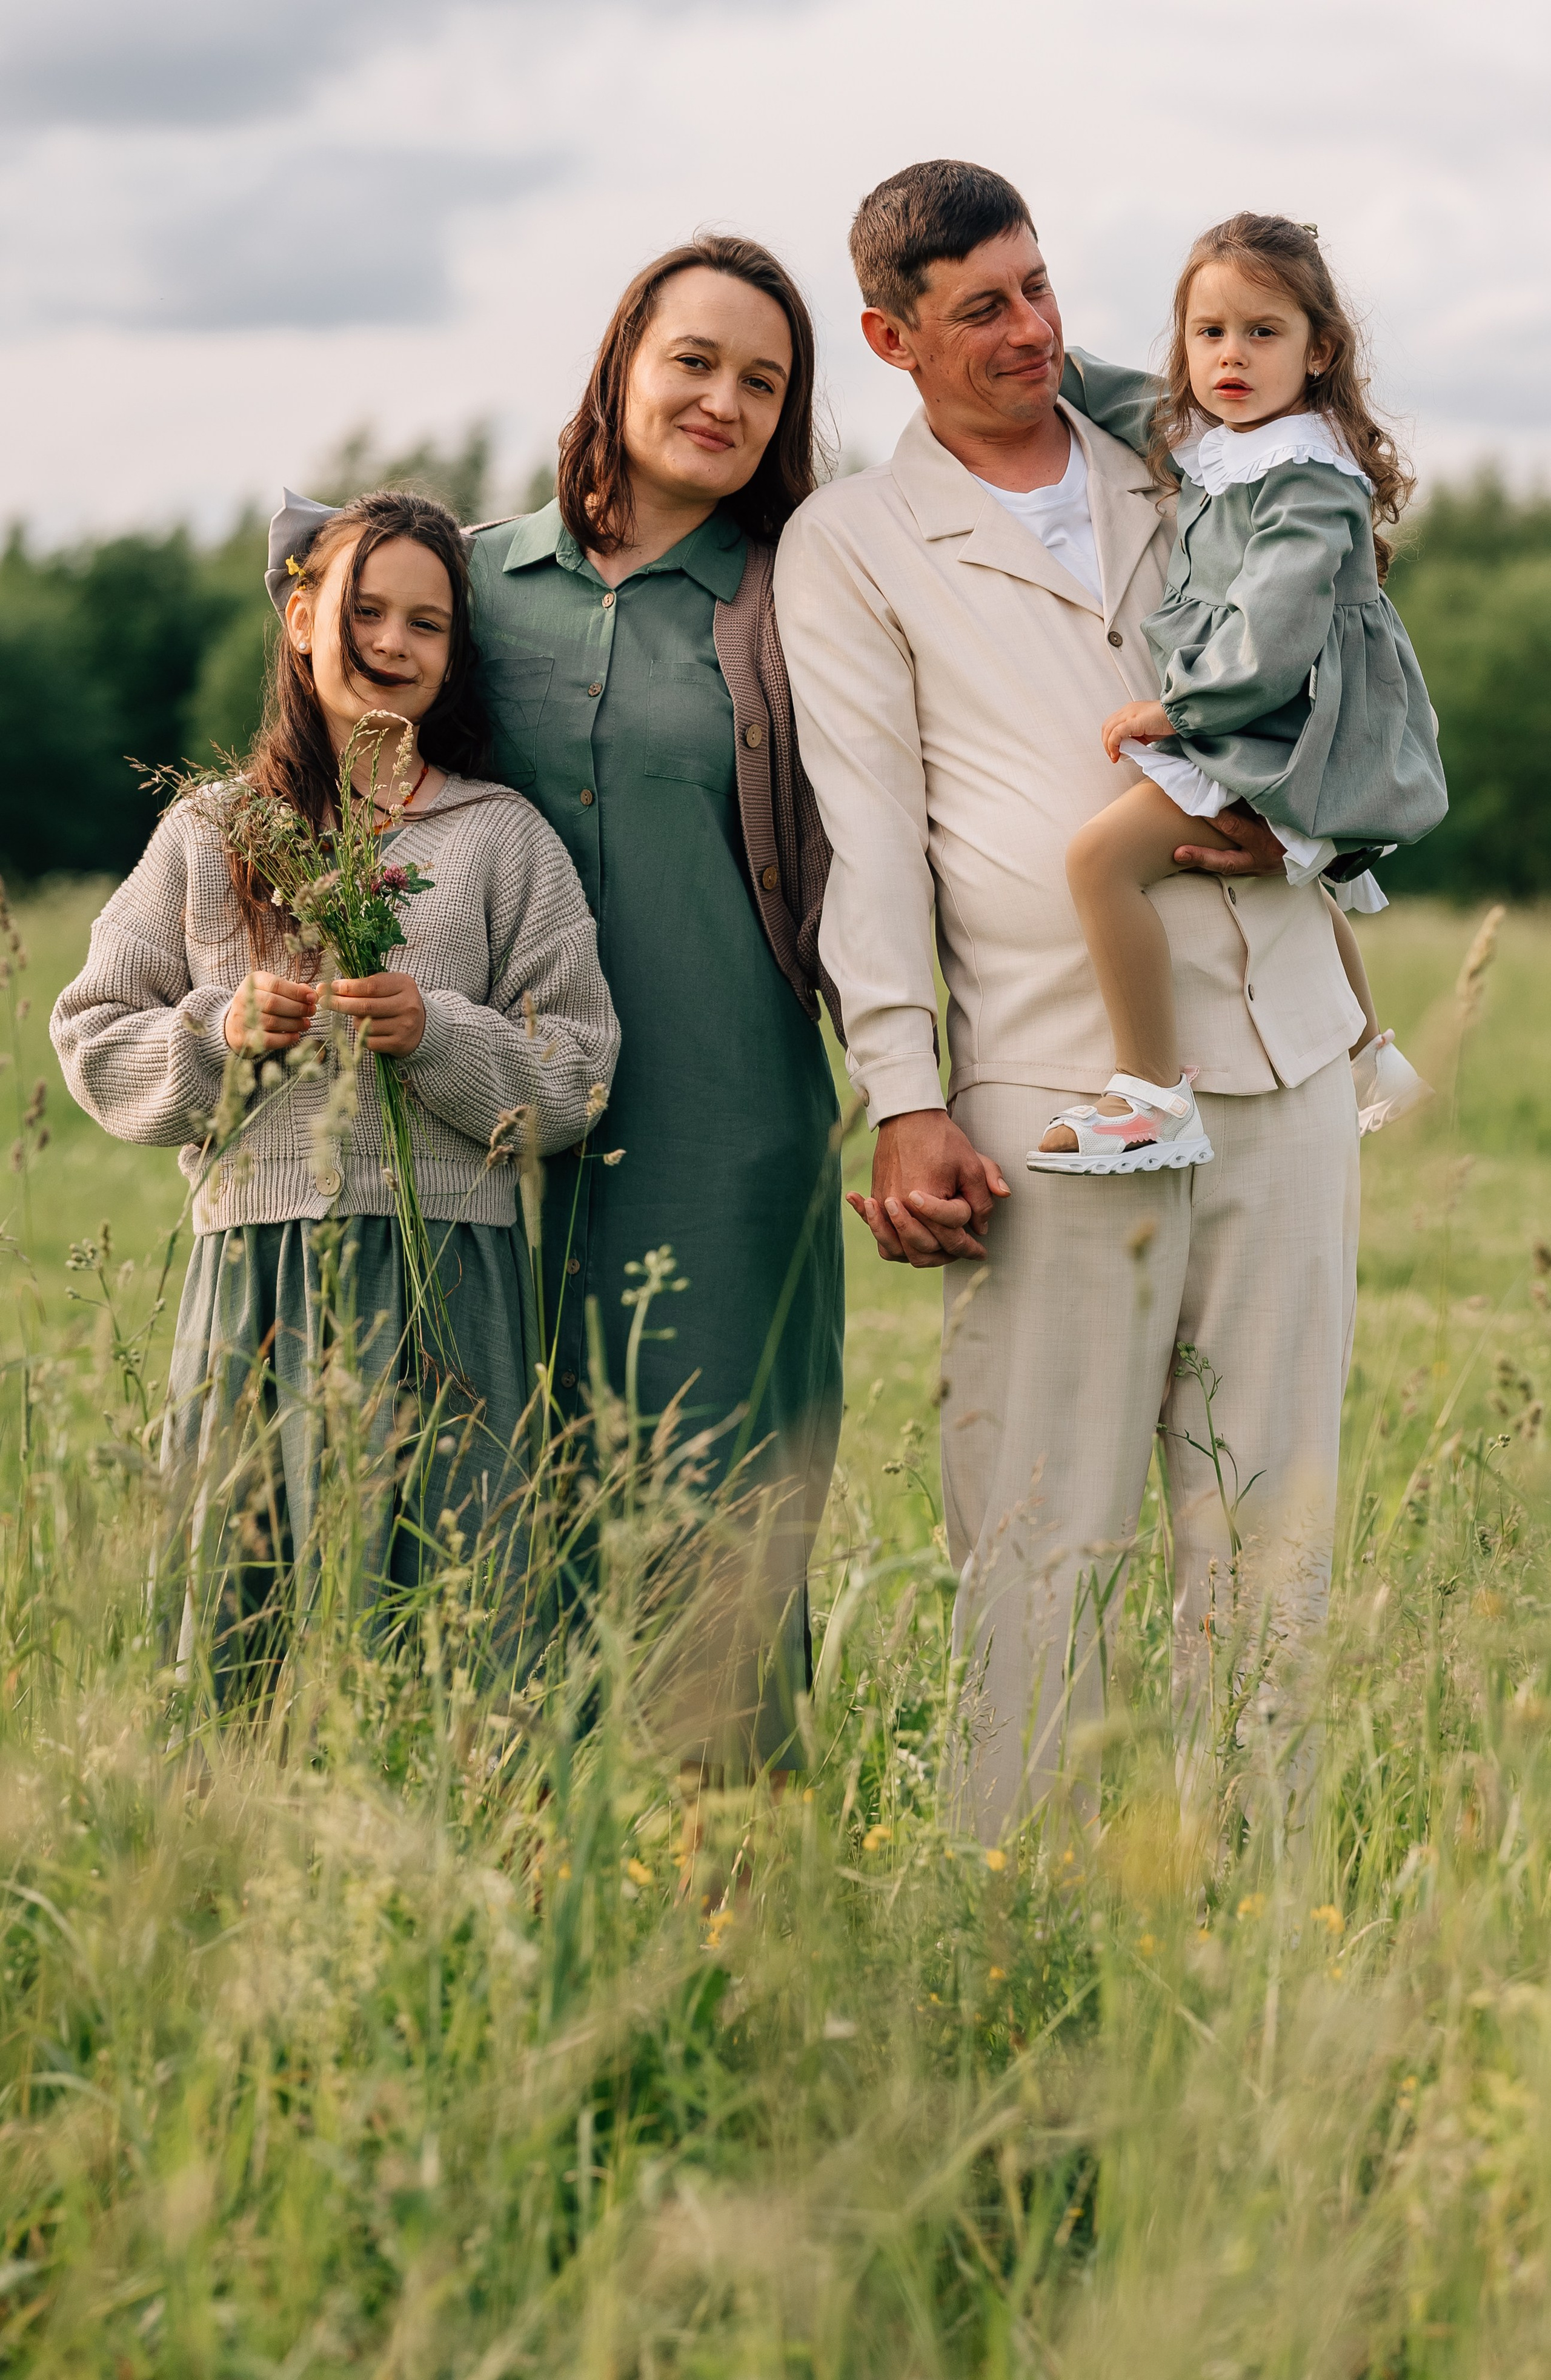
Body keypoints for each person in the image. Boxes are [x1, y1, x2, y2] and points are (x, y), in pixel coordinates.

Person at [775, 159, 1367, 1836]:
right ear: (894, 337)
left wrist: (1310, 812)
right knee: (1047, 1526)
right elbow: (869, 839)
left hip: (1285, 1047)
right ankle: (1017, 1919)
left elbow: (1349, 673)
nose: (1034, 330)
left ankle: (1269, 1923)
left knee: (1271, 1525)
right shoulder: (854, 546)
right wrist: (905, 1092)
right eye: (983, 308)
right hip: (1059, 1095)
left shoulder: (1203, 457)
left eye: (1040, 287)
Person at [52, 489, 619, 1683]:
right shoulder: (216, 831)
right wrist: (221, 1036)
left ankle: (446, 1840)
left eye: (428, 623)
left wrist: (444, 1038)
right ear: (301, 618)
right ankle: (237, 1845)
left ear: (456, 656)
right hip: (253, 1274)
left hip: (445, 1279)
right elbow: (94, 1031)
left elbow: (576, 1073)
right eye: (365, 609)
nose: (394, 643)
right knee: (236, 1618)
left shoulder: (498, 839)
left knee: (452, 1610)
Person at [468, 236, 844, 1772]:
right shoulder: (461, 580)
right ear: (622, 356)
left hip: (727, 1129)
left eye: (763, 382)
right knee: (484, 1479)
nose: (722, 399)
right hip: (474, 1117)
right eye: (694, 358)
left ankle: (722, 1884)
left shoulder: (799, 603)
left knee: (721, 1496)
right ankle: (496, 1845)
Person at [1026, 213, 1443, 1175]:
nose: (1231, 356)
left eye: (1263, 333)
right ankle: (1370, 1054)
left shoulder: (1304, 477)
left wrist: (1181, 710)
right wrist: (1046, 353)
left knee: (1100, 862)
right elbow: (1133, 403)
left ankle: (1149, 1094)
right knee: (1309, 873)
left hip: (1279, 719)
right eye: (1208, 333)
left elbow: (1280, 620)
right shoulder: (1222, 438)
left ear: (1320, 349)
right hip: (1271, 715)